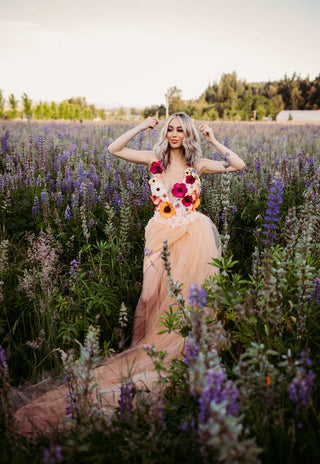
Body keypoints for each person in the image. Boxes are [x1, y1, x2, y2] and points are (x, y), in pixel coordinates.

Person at [14, 112, 245, 436]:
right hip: (158, 234)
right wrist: (142, 126)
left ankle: (185, 351)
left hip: (193, 238)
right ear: (165, 132)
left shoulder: (199, 163)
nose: (175, 134)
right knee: (149, 295)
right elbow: (114, 148)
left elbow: (239, 165)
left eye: (180, 130)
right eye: (170, 129)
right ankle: (135, 350)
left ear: (187, 133)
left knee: (183, 299)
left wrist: (212, 140)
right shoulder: (154, 158)